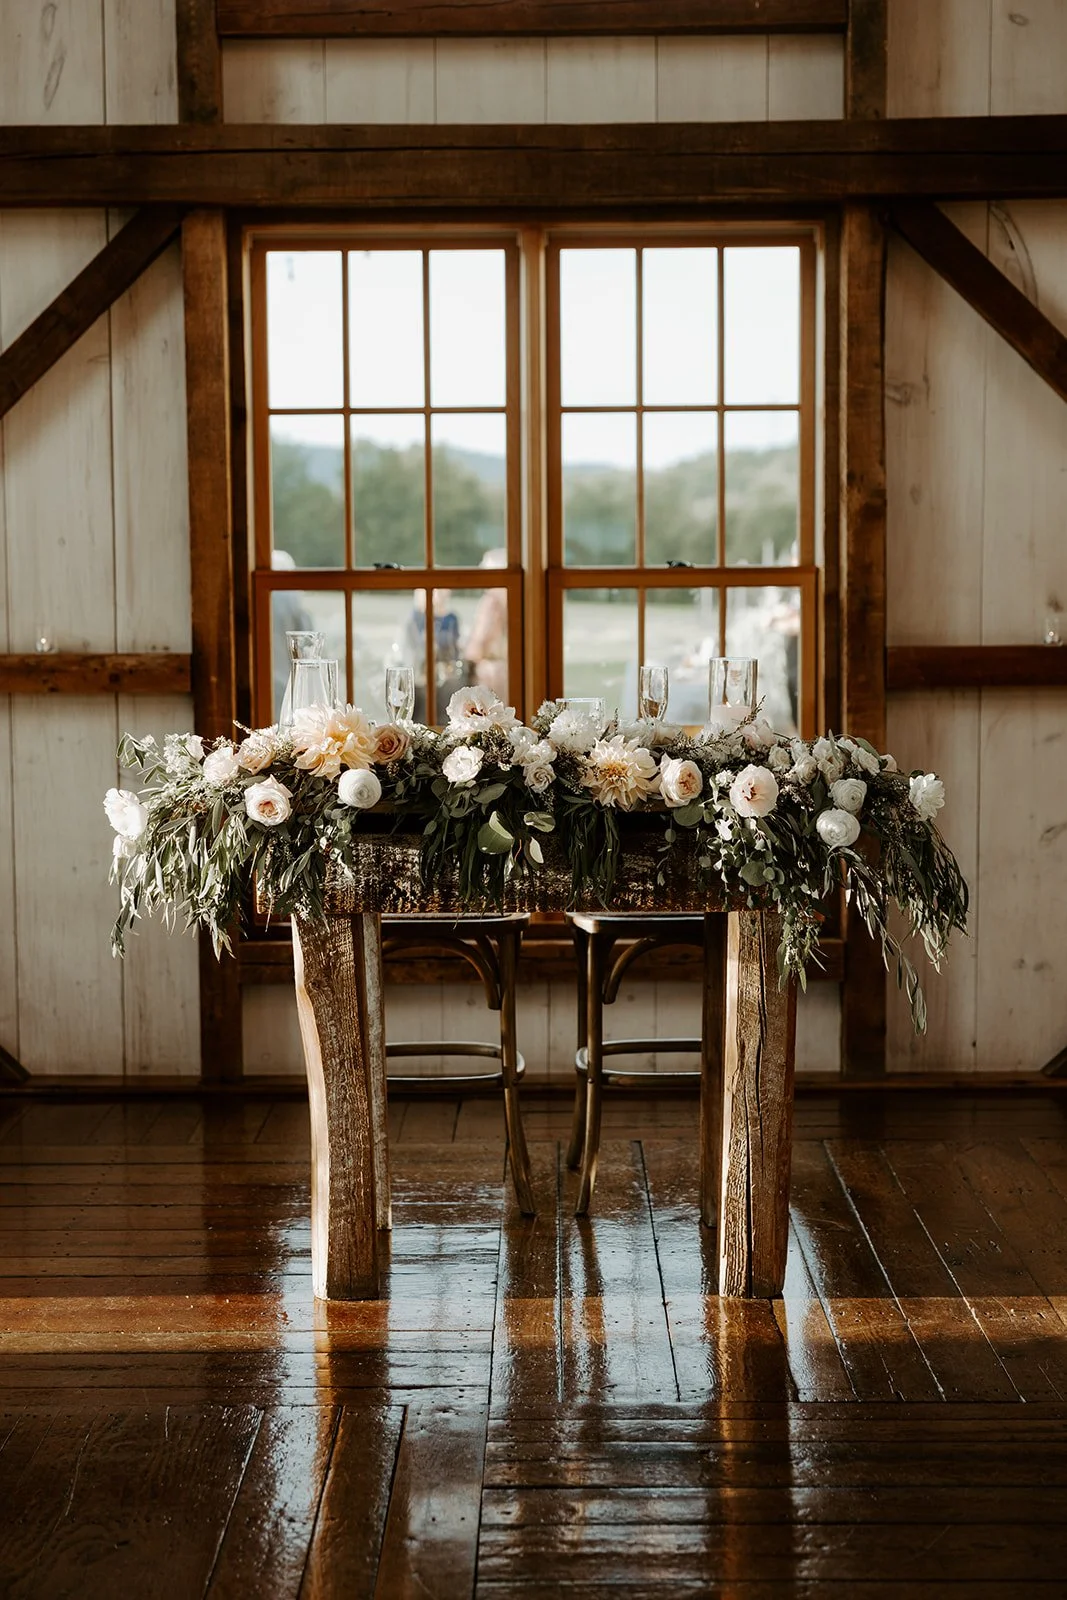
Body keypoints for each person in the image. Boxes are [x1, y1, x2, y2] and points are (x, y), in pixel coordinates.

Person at [462, 549, 509, 702]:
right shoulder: (517, 598)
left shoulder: (492, 602)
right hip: (511, 675)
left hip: (491, 680)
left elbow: (478, 648)